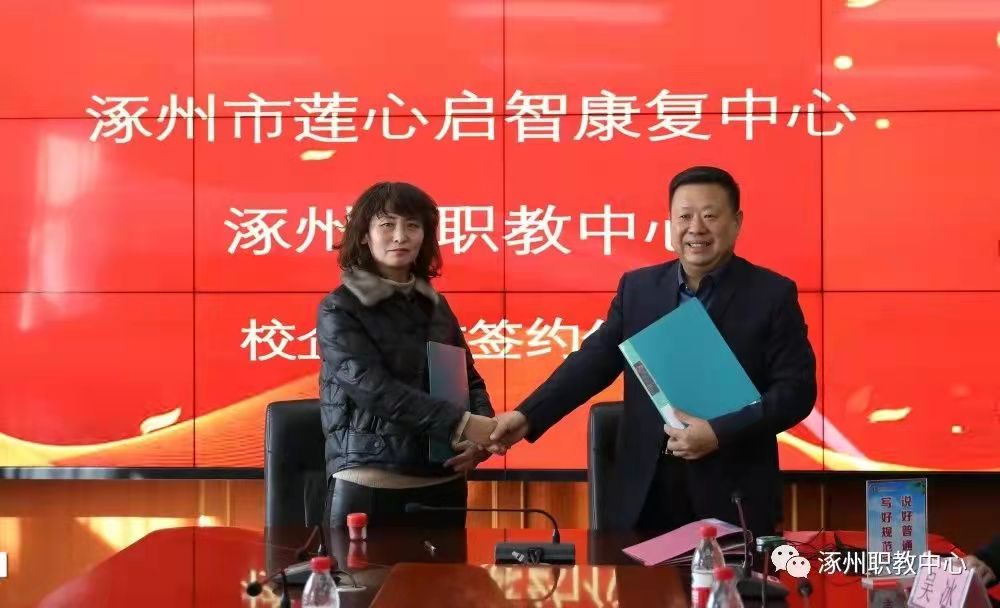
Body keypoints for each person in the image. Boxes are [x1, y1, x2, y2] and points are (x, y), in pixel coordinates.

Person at [489, 166, 817, 538]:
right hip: (645, 495)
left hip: (733, 490)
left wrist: (718, 432)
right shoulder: (639, 289)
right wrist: (527, 415)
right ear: (670, 223)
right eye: (684, 217)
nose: (696, 228)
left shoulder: (771, 295)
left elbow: (796, 393)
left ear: (737, 222)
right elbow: (594, 361)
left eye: (710, 216)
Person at [317, 181, 497, 529]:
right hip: (371, 482)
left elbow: (467, 378)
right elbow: (372, 389)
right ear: (365, 235)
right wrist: (462, 424)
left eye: (412, 225)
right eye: (387, 224)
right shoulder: (340, 307)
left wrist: (482, 437)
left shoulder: (435, 304)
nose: (400, 236)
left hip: (444, 477)